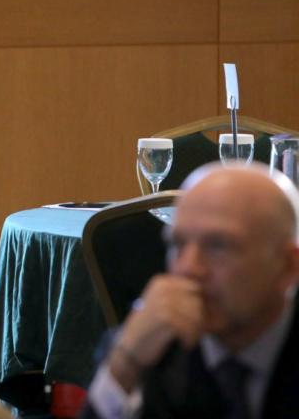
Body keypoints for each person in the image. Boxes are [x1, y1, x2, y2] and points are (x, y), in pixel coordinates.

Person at [84, 162, 299, 419]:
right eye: (178, 244)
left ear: (288, 266)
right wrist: (124, 366)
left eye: (218, 245)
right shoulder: (149, 343)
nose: (187, 268)